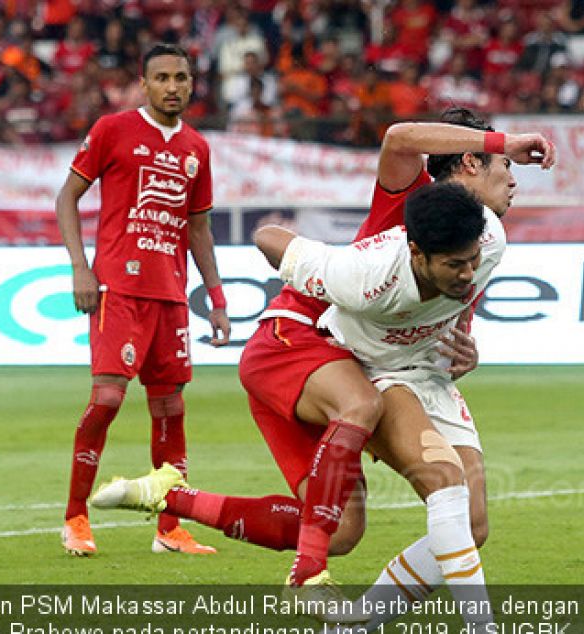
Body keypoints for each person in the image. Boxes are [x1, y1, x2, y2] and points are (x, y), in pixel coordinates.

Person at [90, 110, 554, 610]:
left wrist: (467, 345)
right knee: (391, 438)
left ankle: (172, 497)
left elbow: (451, 309)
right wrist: (505, 138)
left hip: (396, 362)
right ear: (469, 163)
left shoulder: (484, 239)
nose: (514, 179)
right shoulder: (402, 210)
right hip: (315, 340)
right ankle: (311, 575)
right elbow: (398, 137)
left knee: (363, 528)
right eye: (505, 166)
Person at [255, 180, 502, 629]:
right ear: (417, 254)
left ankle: (355, 623)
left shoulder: (491, 237)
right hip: (377, 373)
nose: (469, 274)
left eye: (472, 261)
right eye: (454, 264)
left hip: (430, 376)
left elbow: (461, 299)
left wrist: (470, 345)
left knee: (472, 524)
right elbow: (268, 237)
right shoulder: (364, 277)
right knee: (444, 482)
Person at [56, 42, 231, 557]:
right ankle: (75, 517)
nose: (172, 86)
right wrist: (81, 268)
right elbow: (67, 196)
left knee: (171, 410)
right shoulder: (113, 129)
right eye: (162, 78)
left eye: (181, 77)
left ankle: (169, 528)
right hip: (118, 287)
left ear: (192, 83)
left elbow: (198, 228)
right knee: (108, 398)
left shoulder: (197, 148)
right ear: (145, 83)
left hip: (171, 296)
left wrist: (216, 299)